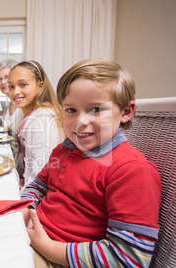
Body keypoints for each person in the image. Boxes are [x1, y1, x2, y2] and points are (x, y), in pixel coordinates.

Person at [21, 58, 161, 267]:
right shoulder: (63, 150)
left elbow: (129, 258)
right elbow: (38, 186)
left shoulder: (131, 170)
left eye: (96, 109)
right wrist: (25, 206)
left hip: (58, 257)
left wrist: (45, 246)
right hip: (31, 238)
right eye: (71, 110)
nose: (80, 121)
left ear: (125, 112)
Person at [8, 60, 64, 191]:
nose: (16, 91)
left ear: (40, 85)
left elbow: (40, 173)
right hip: (27, 183)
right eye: (11, 86)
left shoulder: (43, 120)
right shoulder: (24, 114)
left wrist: (24, 198)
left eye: (23, 84)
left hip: (39, 193)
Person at [0, 59, 24, 157]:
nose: (2, 82)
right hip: (7, 158)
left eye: (6, 77)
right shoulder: (7, 109)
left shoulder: (23, 105)